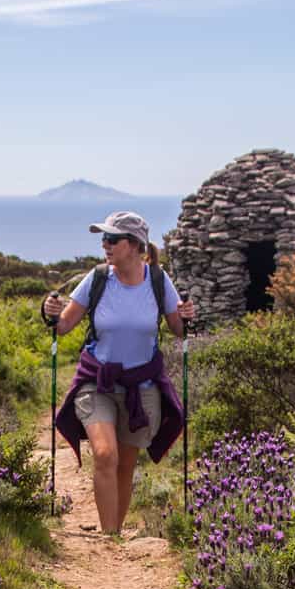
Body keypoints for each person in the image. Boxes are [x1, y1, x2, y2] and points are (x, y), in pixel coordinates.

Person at [41, 210, 196, 535]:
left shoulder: (158, 281)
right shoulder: (97, 278)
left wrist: (187, 315)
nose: (105, 244)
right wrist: (49, 312)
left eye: (112, 239)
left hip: (143, 387)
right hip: (97, 382)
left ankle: (115, 533)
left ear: (135, 244)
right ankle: (110, 538)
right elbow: (63, 325)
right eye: (104, 238)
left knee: (125, 465)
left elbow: (178, 329)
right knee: (104, 454)